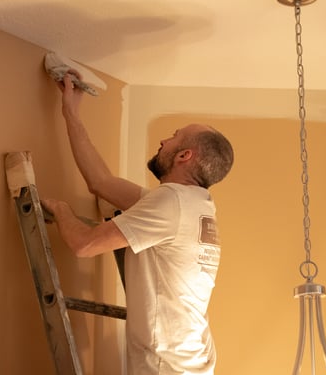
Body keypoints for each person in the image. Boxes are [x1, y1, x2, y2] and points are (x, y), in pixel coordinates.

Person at [41, 72, 234, 375]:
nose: (163, 140)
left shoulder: (171, 203)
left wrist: (61, 210)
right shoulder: (192, 204)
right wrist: (70, 111)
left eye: (173, 136)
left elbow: (84, 244)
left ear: (184, 155)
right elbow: (101, 182)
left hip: (166, 366)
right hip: (188, 362)